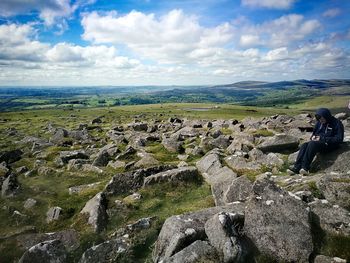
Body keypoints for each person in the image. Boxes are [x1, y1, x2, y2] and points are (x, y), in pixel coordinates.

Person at [287, 108, 344, 175]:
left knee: (312, 144)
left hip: (331, 145)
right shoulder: (319, 123)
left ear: (327, 116)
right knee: (304, 145)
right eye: (319, 119)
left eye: (322, 119)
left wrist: (322, 138)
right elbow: (314, 134)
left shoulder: (337, 123)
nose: (321, 121)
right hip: (319, 143)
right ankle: (297, 168)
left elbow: (339, 139)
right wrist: (313, 137)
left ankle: (305, 168)